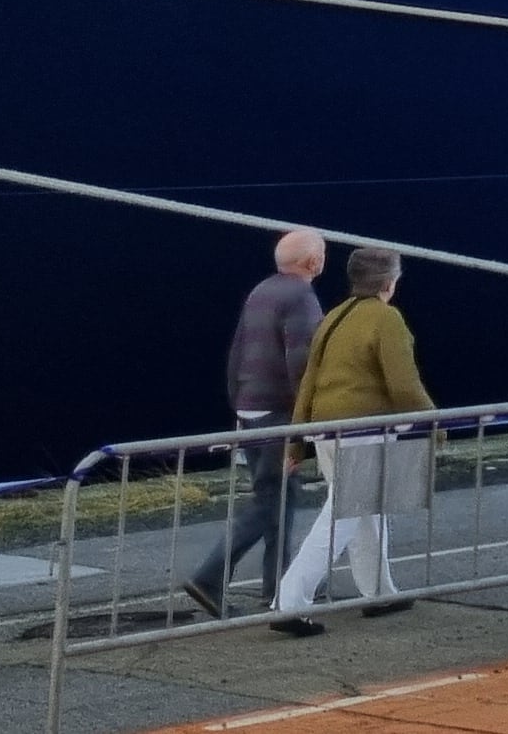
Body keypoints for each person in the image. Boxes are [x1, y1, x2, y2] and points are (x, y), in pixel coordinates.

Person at [270, 246, 433, 636]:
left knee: (363, 511)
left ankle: (379, 592)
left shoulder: (333, 318)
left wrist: (296, 443)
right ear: (389, 282)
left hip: (326, 429)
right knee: (343, 513)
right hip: (363, 431)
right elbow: (404, 386)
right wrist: (435, 424)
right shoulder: (387, 319)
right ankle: (288, 601)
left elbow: (308, 382)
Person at [181, 229, 324, 618]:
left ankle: (278, 587)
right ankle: (209, 577)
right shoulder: (301, 297)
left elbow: (237, 351)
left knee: (281, 497)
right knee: (270, 500)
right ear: (313, 262)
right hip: (279, 411)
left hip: (250, 406)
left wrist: (238, 405)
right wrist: (306, 425)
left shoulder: (260, 291)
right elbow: (302, 363)